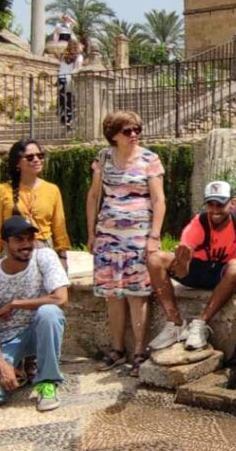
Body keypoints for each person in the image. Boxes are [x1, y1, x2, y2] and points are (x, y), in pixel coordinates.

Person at [147, 180, 236, 352]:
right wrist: (183, 261)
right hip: (196, 269)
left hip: (223, 274)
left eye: (220, 204)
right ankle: (174, 324)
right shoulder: (198, 224)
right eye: (211, 204)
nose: (215, 210)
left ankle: (201, 323)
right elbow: (182, 272)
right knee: (155, 259)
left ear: (232, 203)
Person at [86, 111, 166, 377]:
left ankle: (140, 351)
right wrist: (91, 233)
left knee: (137, 293)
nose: (133, 135)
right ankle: (117, 349)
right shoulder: (103, 157)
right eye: (127, 131)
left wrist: (154, 237)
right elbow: (95, 195)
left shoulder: (149, 159)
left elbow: (158, 200)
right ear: (113, 135)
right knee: (112, 295)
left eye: (136, 129)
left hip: (138, 236)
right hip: (108, 236)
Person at [0, 217, 69, 413]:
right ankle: (17, 366)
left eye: (29, 239)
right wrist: (1, 365)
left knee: (49, 312)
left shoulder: (44, 257)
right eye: (19, 240)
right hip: (7, 339)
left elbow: (60, 298)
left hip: (38, 330)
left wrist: (15, 304)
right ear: (4, 244)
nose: (26, 245)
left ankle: (47, 381)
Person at [0, 139, 71, 271]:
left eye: (40, 156)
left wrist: (63, 258)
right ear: (18, 163)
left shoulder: (52, 190)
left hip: (44, 251)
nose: (36, 160)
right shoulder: (2, 190)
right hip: (13, 253)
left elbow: (59, 227)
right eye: (30, 157)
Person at [57, 41, 83, 131]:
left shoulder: (64, 57)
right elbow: (78, 68)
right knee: (70, 102)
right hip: (69, 79)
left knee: (63, 102)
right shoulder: (79, 57)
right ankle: (69, 125)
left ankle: (64, 120)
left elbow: (60, 68)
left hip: (60, 79)